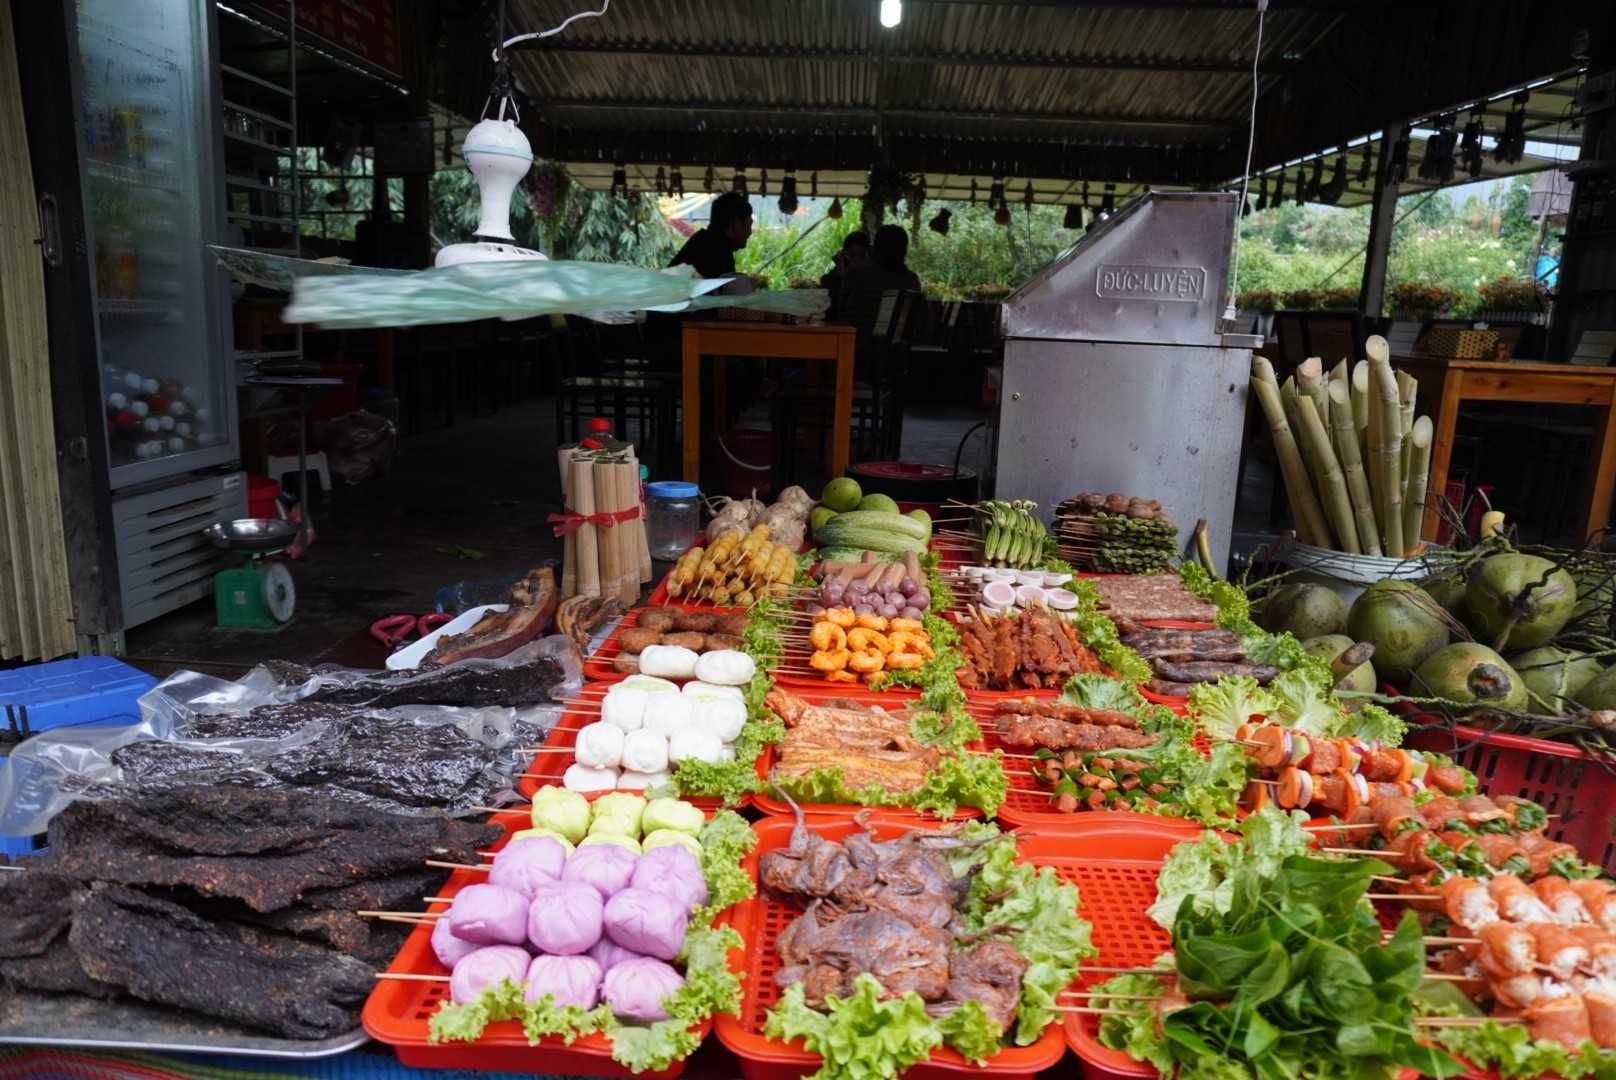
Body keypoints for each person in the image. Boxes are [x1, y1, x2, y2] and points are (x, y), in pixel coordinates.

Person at [840, 225, 926, 337]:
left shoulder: (859, 275)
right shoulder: (912, 280)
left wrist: (844, 276)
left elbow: (841, 310)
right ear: (904, 251)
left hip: (857, 342)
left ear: (875, 249)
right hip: (896, 345)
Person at [669, 192, 753, 281]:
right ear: (736, 223)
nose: (750, 232)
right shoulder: (716, 251)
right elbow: (725, 288)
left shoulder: (704, 241)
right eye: (749, 225)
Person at [819, 231, 871, 321]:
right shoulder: (830, 280)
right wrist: (842, 275)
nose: (856, 261)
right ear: (844, 255)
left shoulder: (870, 280)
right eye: (853, 255)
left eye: (861, 256)